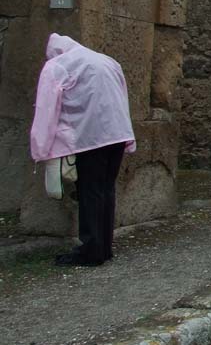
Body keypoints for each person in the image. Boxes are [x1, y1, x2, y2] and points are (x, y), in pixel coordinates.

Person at [30, 34, 136, 266]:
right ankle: (104, 246)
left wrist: (41, 148)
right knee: (106, 189)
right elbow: (122, 98)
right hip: (117, 133)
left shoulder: (57, 66)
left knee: (90, 192)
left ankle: (91, 250)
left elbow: (46, 110)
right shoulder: (108, 61)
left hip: (89, 136)